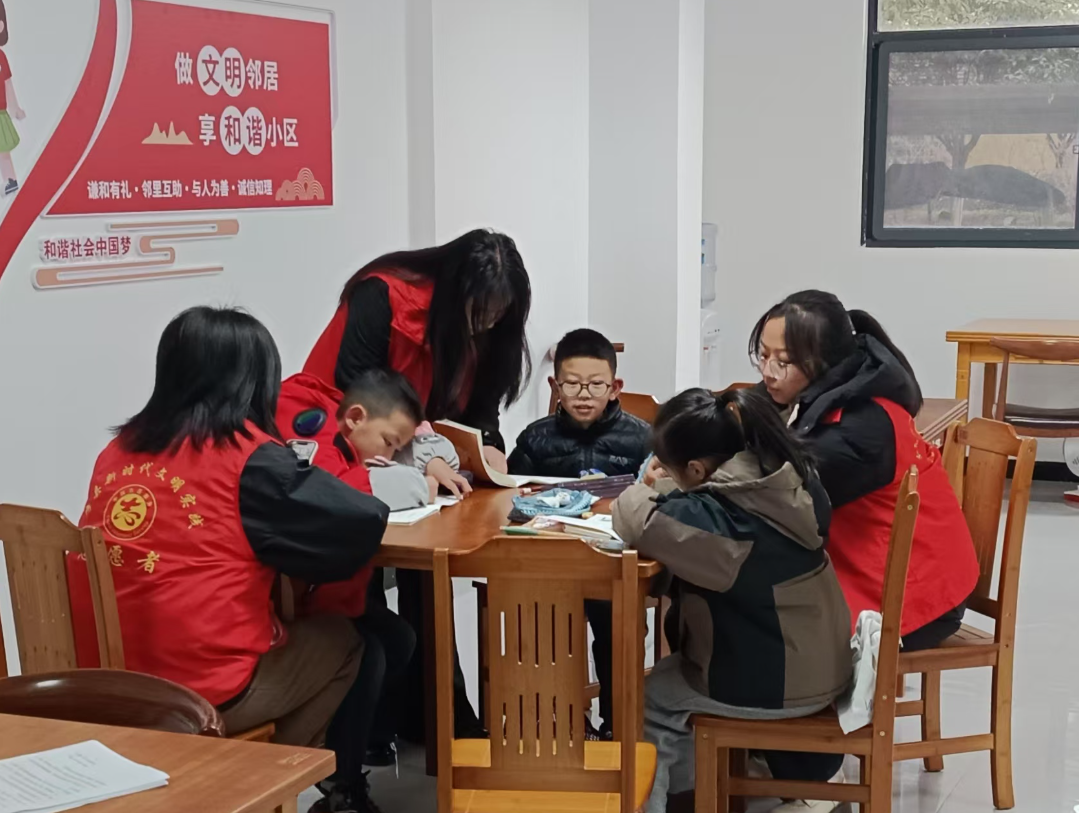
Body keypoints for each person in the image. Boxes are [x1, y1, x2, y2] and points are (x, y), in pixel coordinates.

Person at [73, 307, 389, 813]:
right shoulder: (249, 455)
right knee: (349, 643)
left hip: (105, 681)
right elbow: (362, 520)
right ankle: (248, 786)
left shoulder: (117, 450)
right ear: (256, 383)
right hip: (201, 689)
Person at [304, 229, 532, 738]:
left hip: (414, 463)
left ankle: (433, 717)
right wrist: (419, 459)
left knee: (428, 575)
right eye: (480, 312)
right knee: (362, 587)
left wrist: (486, 447)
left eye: (499, 315)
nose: (487, 324)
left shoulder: (487, 328)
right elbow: (359, 408)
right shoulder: (382, 298)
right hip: (348, 456)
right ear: (453, 293)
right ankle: (371, 727)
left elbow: (478, 407)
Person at [613, 388, 852, 813]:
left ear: (696, 468)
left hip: (783, 681)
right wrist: (671, 482)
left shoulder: (722, 524)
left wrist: (643, 485)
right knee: (671, 673)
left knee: (647, 699)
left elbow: (638, 519)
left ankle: (653, 802)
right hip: (815, 661)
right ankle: (695, 791)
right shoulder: (780, 476)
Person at [749, 290, 979, 651]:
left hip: (914, 598)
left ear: (822, 361)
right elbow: (743, 416)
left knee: (745, 613)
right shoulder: (834, 385)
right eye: (763, 355)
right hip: (872, 571)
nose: (768, 372)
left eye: (783, 361)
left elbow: (778, 497)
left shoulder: (860, 429)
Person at [275, 368, 468, 773]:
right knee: (373, 650)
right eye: (389, 442)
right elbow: (340, 493)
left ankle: (359, 748)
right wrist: (414, 481)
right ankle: (343, 780)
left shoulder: (354, 427)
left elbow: (423, 456)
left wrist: (403, 467)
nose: (391, 452)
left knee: (398, 637)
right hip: (291, 599)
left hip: (328, 591)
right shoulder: (310, 421)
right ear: (356, 418)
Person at [507, 328, 650, 740]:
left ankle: (617, 729)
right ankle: (559, 723)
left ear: (615, 386)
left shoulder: (641, 438)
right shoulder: (536, 438)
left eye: (595, 385)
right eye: (572, 384)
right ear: (556, 386)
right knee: (540, 626)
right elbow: (511, 496)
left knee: (617, 628)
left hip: (612, 563)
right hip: (552, 565)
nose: (583, 395)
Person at [0, 1, 26, 196]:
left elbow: (7, 82)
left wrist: (15, 107)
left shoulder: (1, 57)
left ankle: (11, 180)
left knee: (4, 150)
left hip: (0, 113)